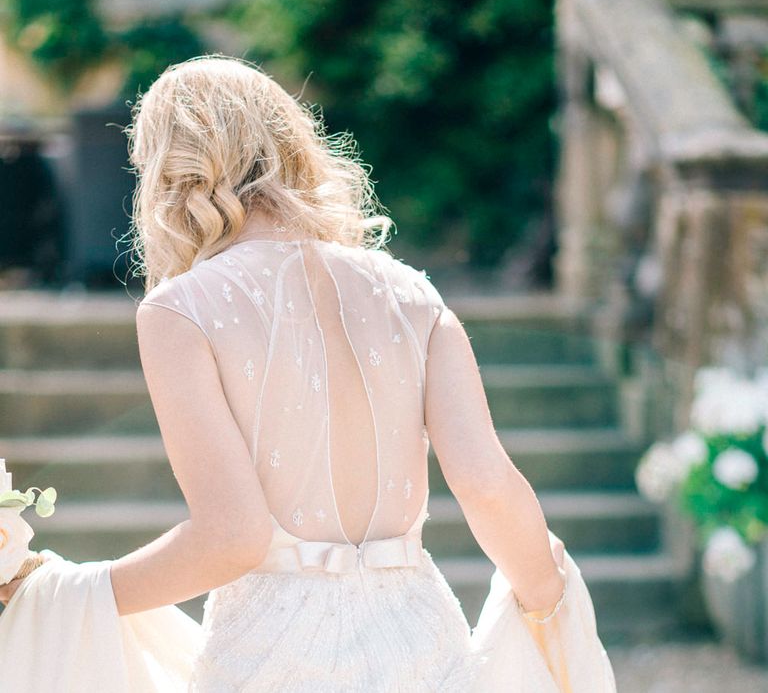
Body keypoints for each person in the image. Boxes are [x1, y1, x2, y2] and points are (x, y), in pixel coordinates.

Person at [0, 55, 616, 691]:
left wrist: (64, 596)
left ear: (166, 170)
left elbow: (233, 538)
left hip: (274, 654)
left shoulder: (180, 311)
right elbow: (488, 485)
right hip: (420, 640)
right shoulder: (414, 298)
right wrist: (553, 617)